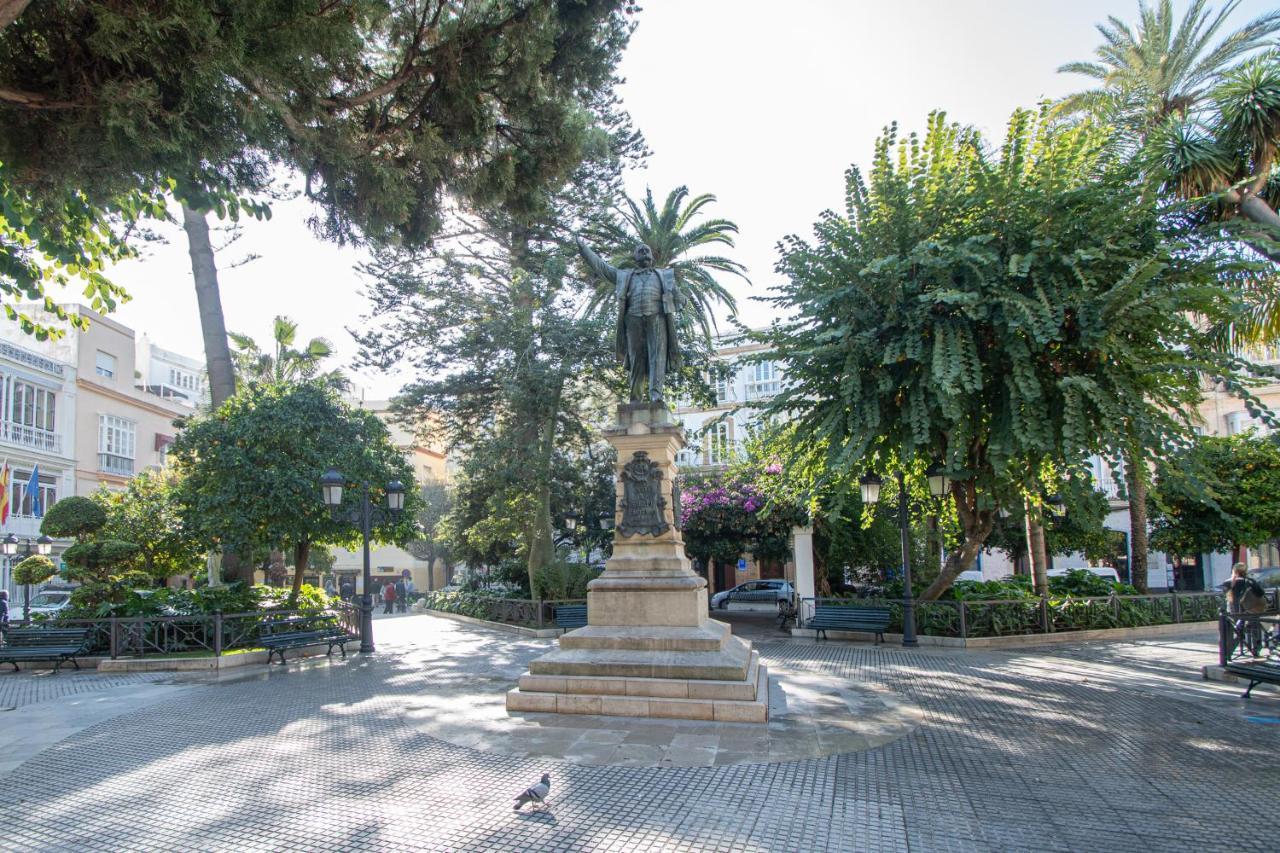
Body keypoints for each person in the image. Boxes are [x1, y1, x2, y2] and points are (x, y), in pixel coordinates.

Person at [574, 236, 683, 402]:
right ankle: (635, 398)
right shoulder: (624, 276)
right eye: (641, 251)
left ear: (652, 257)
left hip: (657, 317)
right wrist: (583, 248)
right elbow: (602, 267)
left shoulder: (665, 276)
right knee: (635, 357)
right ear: (636, 257)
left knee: (657, 357)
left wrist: (681, 299)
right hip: (633, 319)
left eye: (647, 251)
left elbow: (678, 294)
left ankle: (656, 396)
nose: (644, 252)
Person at [1226, 562, 1268, 656]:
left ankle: (1230, 652)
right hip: (1250, 610)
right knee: (1254, 627)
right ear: (1245, 571)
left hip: (1235, 612)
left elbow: (1226, 597)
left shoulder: (1228, 582)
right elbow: (1261, 593)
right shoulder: (1250, 581)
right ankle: (1256, 649)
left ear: (1234, 570)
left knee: (1238, 630)